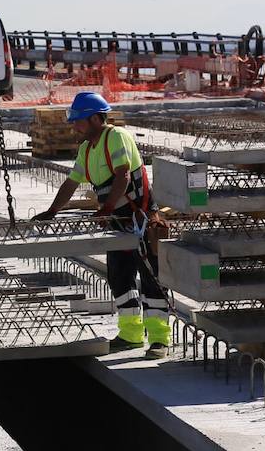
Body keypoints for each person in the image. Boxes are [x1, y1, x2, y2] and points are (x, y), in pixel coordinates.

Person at [33, 91, 169, 359]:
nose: (75, 126)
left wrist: (105, 209)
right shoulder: (86, 149)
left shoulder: (115, 137)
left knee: (151, 280)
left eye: (79, 121)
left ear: (96, 119)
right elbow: (71, 183)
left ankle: (159, 340)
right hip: (116, 222)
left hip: (139, 218)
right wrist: (51, 211)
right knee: (119, 276)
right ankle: (130, 335)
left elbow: (123, 176)